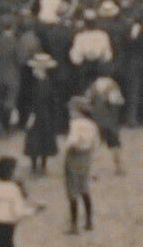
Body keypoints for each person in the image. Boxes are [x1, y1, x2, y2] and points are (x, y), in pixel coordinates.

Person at [62, 97, 100, 233]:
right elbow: (96, 142)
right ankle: (89, 221)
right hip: (87, 157)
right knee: (84, 188)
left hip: (74, 156)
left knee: (72, 190)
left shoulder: (75, 123)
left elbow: (73, 140)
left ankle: (73, 225)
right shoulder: (92, 124)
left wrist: (67, 146)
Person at [22, 53, 60, 175]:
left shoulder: (36, 83)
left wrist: (31, 116)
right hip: (46, 115)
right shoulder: (48, 82)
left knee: (35, 140)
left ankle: (35, 166)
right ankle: (42, 166)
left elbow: (33, 101)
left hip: (38, 114)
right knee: (44, 140)